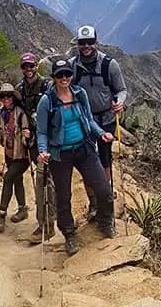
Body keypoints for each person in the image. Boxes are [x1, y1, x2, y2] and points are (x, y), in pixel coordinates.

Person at [36, 58, 116, 256]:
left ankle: (105, 221)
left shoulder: (80, 94)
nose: (64, 78)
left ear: (71, 75)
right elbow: (42, 131)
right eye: (60, 75)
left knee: (104, 188)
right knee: (64, 196)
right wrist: (43, 150)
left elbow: (88, 120)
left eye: (67, 74)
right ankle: (69, 234)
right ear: (54, 77)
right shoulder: (47, 101)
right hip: (59, 153)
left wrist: (100, 133)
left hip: (84, 148)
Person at [69, 25, 127, 220]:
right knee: (87, 162)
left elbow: (121, 89)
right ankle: (93, 203)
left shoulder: (109, 65)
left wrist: (120, 102)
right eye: (82, 43)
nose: (86, 46)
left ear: (96, 42)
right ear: (76, 43)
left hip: (106, 119)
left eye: (89, 42)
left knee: (105, 160)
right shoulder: (71, 66)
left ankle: (104, 199)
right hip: (83, 121)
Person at [16, 52, 57, 244]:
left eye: (31, 66)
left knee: (47, 180)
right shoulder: (20, 89)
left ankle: (49, 224)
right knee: (41, 180)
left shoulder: (48, 86)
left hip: (49, 140)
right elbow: (16, 112)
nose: (28, 70)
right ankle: (45, 224)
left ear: (36, 67)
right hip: (32, 141)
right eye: (25, 67)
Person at [0, 83, 31, 233]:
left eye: (8, 96)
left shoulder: (20, 113)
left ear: (13, 98)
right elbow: (1, 132)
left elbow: (27, 132)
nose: (6, 99)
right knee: (17, 179)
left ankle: (1, 213)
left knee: (8, 179)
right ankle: (22, 209)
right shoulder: (1, 112)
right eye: (3, 96)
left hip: (22, 156)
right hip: (9, 153)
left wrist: (27, 134)